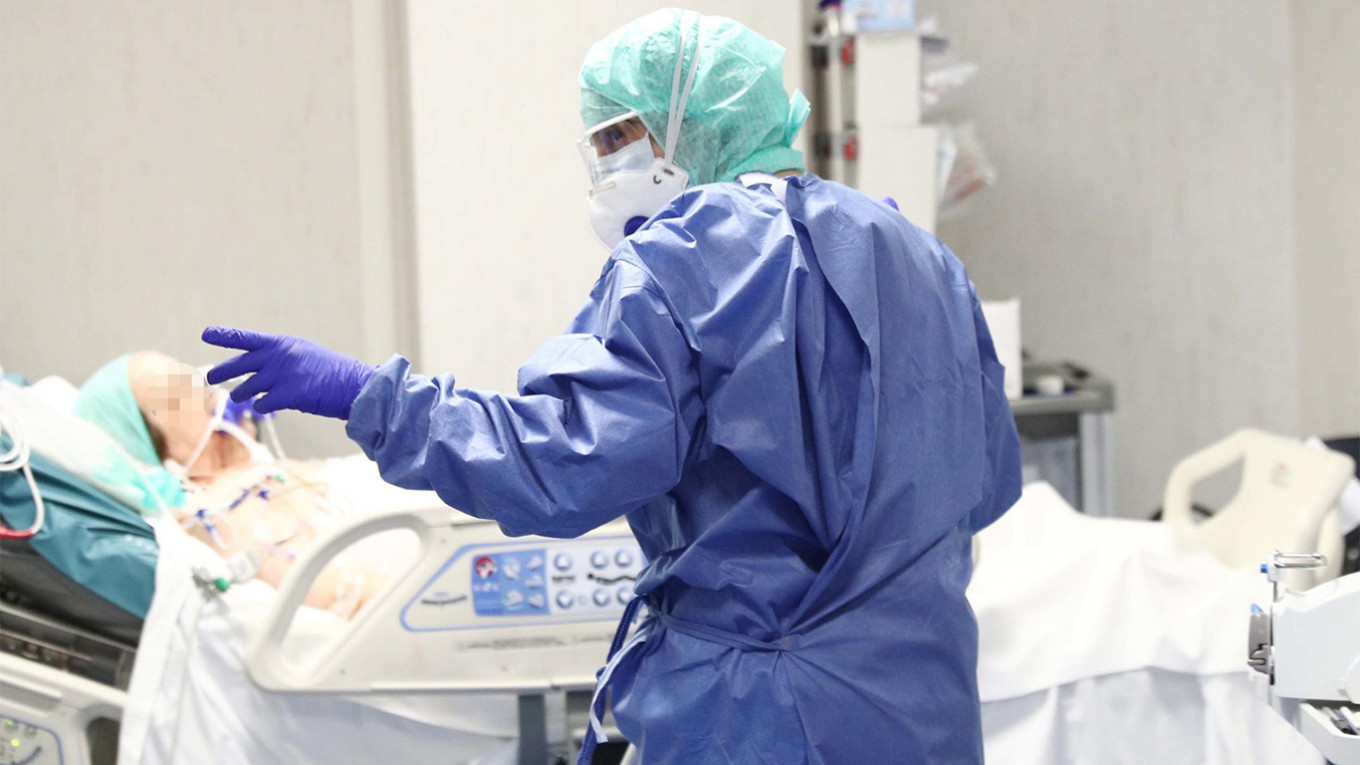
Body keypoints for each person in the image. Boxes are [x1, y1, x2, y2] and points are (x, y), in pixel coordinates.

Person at [202, 9, 1021, 763]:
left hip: (761, 719)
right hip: (920, 711)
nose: (603, 165)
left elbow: (559, 463)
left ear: (687, 124)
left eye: (616, 136)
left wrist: (366, 395)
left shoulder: (687, 257)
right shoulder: (920, 256)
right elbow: (986, 483)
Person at [74, 352, 382, 616]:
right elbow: (365, 599)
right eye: (171, 391)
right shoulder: (222, 518)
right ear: (152, 453)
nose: (203, 386)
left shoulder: (257, 477)